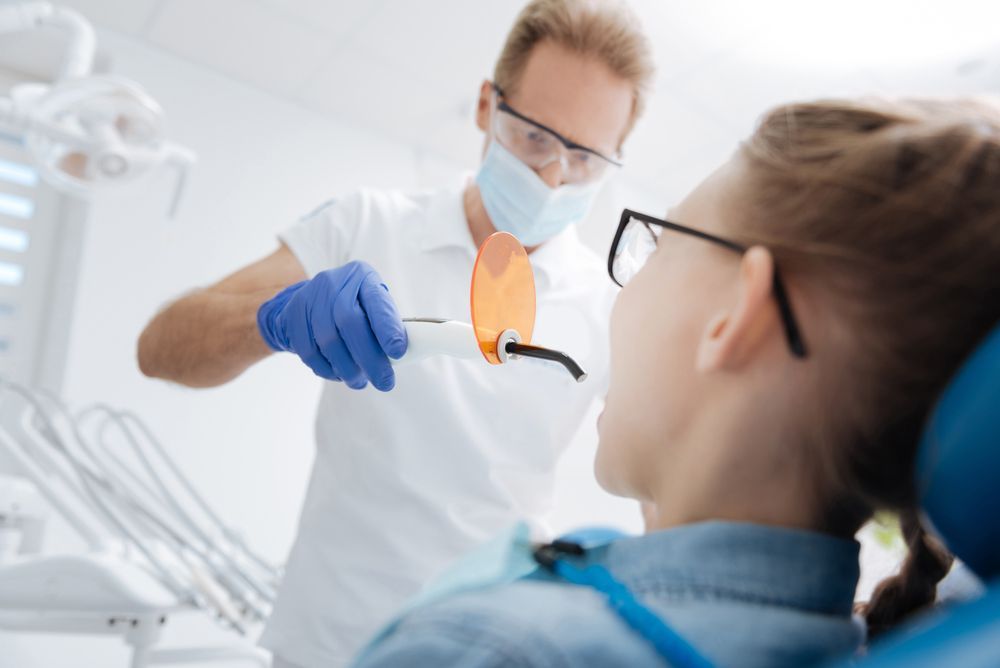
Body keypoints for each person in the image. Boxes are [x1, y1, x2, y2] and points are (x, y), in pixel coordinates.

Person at [351, 97, 1000, 667]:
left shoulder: (495, 650)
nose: (625, 292)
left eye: (656, 244)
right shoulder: (847, 640)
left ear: (735, 318)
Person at [135, 1, 654, 665]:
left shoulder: (609, 306)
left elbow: (663, 490)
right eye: (533, 137)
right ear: (486, 106)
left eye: (583, 158)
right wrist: (273, 318)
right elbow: (160, 350)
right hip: (328, 641)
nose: (554, 176)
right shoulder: (365, 225)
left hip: (489, 644)